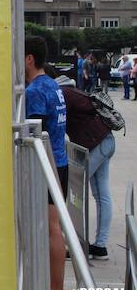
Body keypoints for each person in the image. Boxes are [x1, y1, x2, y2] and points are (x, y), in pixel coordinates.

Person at [24, 36, 68, 290]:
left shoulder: (35, 91)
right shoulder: (52, 84)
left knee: (52, 228)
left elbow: (35, 134)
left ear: (29, 59)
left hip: (46, 165)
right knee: (53, 228)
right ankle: (55, 288)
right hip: (59, 162)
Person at [54, 74, 115, 260]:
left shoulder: (62, 94)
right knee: (100, 194)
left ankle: (77, 244)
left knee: (75, 191)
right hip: (105, 140)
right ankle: (100, 246)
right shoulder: (71, 92)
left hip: (97, 144)